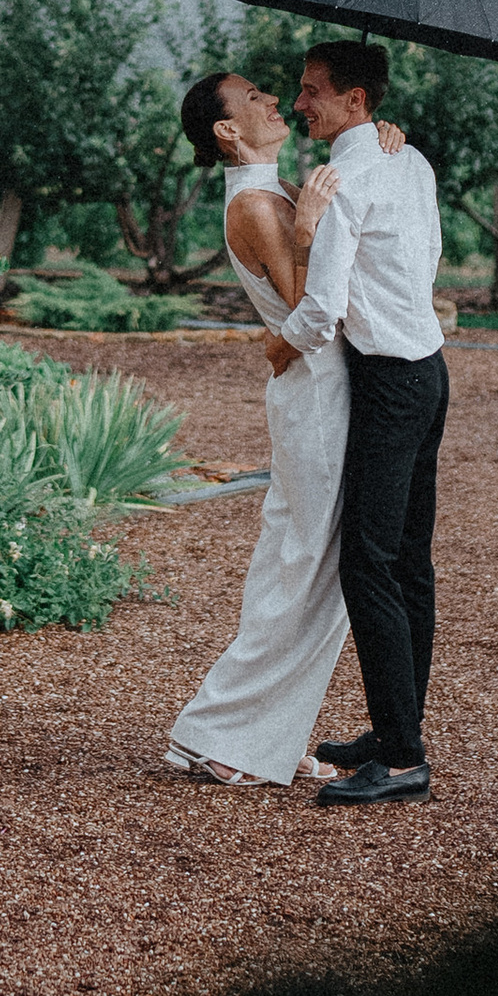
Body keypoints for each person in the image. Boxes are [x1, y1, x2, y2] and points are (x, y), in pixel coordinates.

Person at [161, 68, 407, 791]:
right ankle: (223, 733)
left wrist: (379, 141)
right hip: (318, 395)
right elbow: (311, 312)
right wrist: (305, 228)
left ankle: (257, 733)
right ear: (228, 131)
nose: (275, 103)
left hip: (314, 390)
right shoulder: (261, 208)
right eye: (256, 100)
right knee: (311, 566)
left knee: (299, 564)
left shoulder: (268, 192)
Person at [283, 41, 447, 806]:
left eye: (313, 92)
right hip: (429, 373)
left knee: (369, 564)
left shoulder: (344, 180)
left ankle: (405, 757)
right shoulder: (410, 164)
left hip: (387, 382)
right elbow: (428, 260)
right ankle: (395, 731)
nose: (298, 104)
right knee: (408, 560)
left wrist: (275, 346)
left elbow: (321, 309)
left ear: (356, 102)